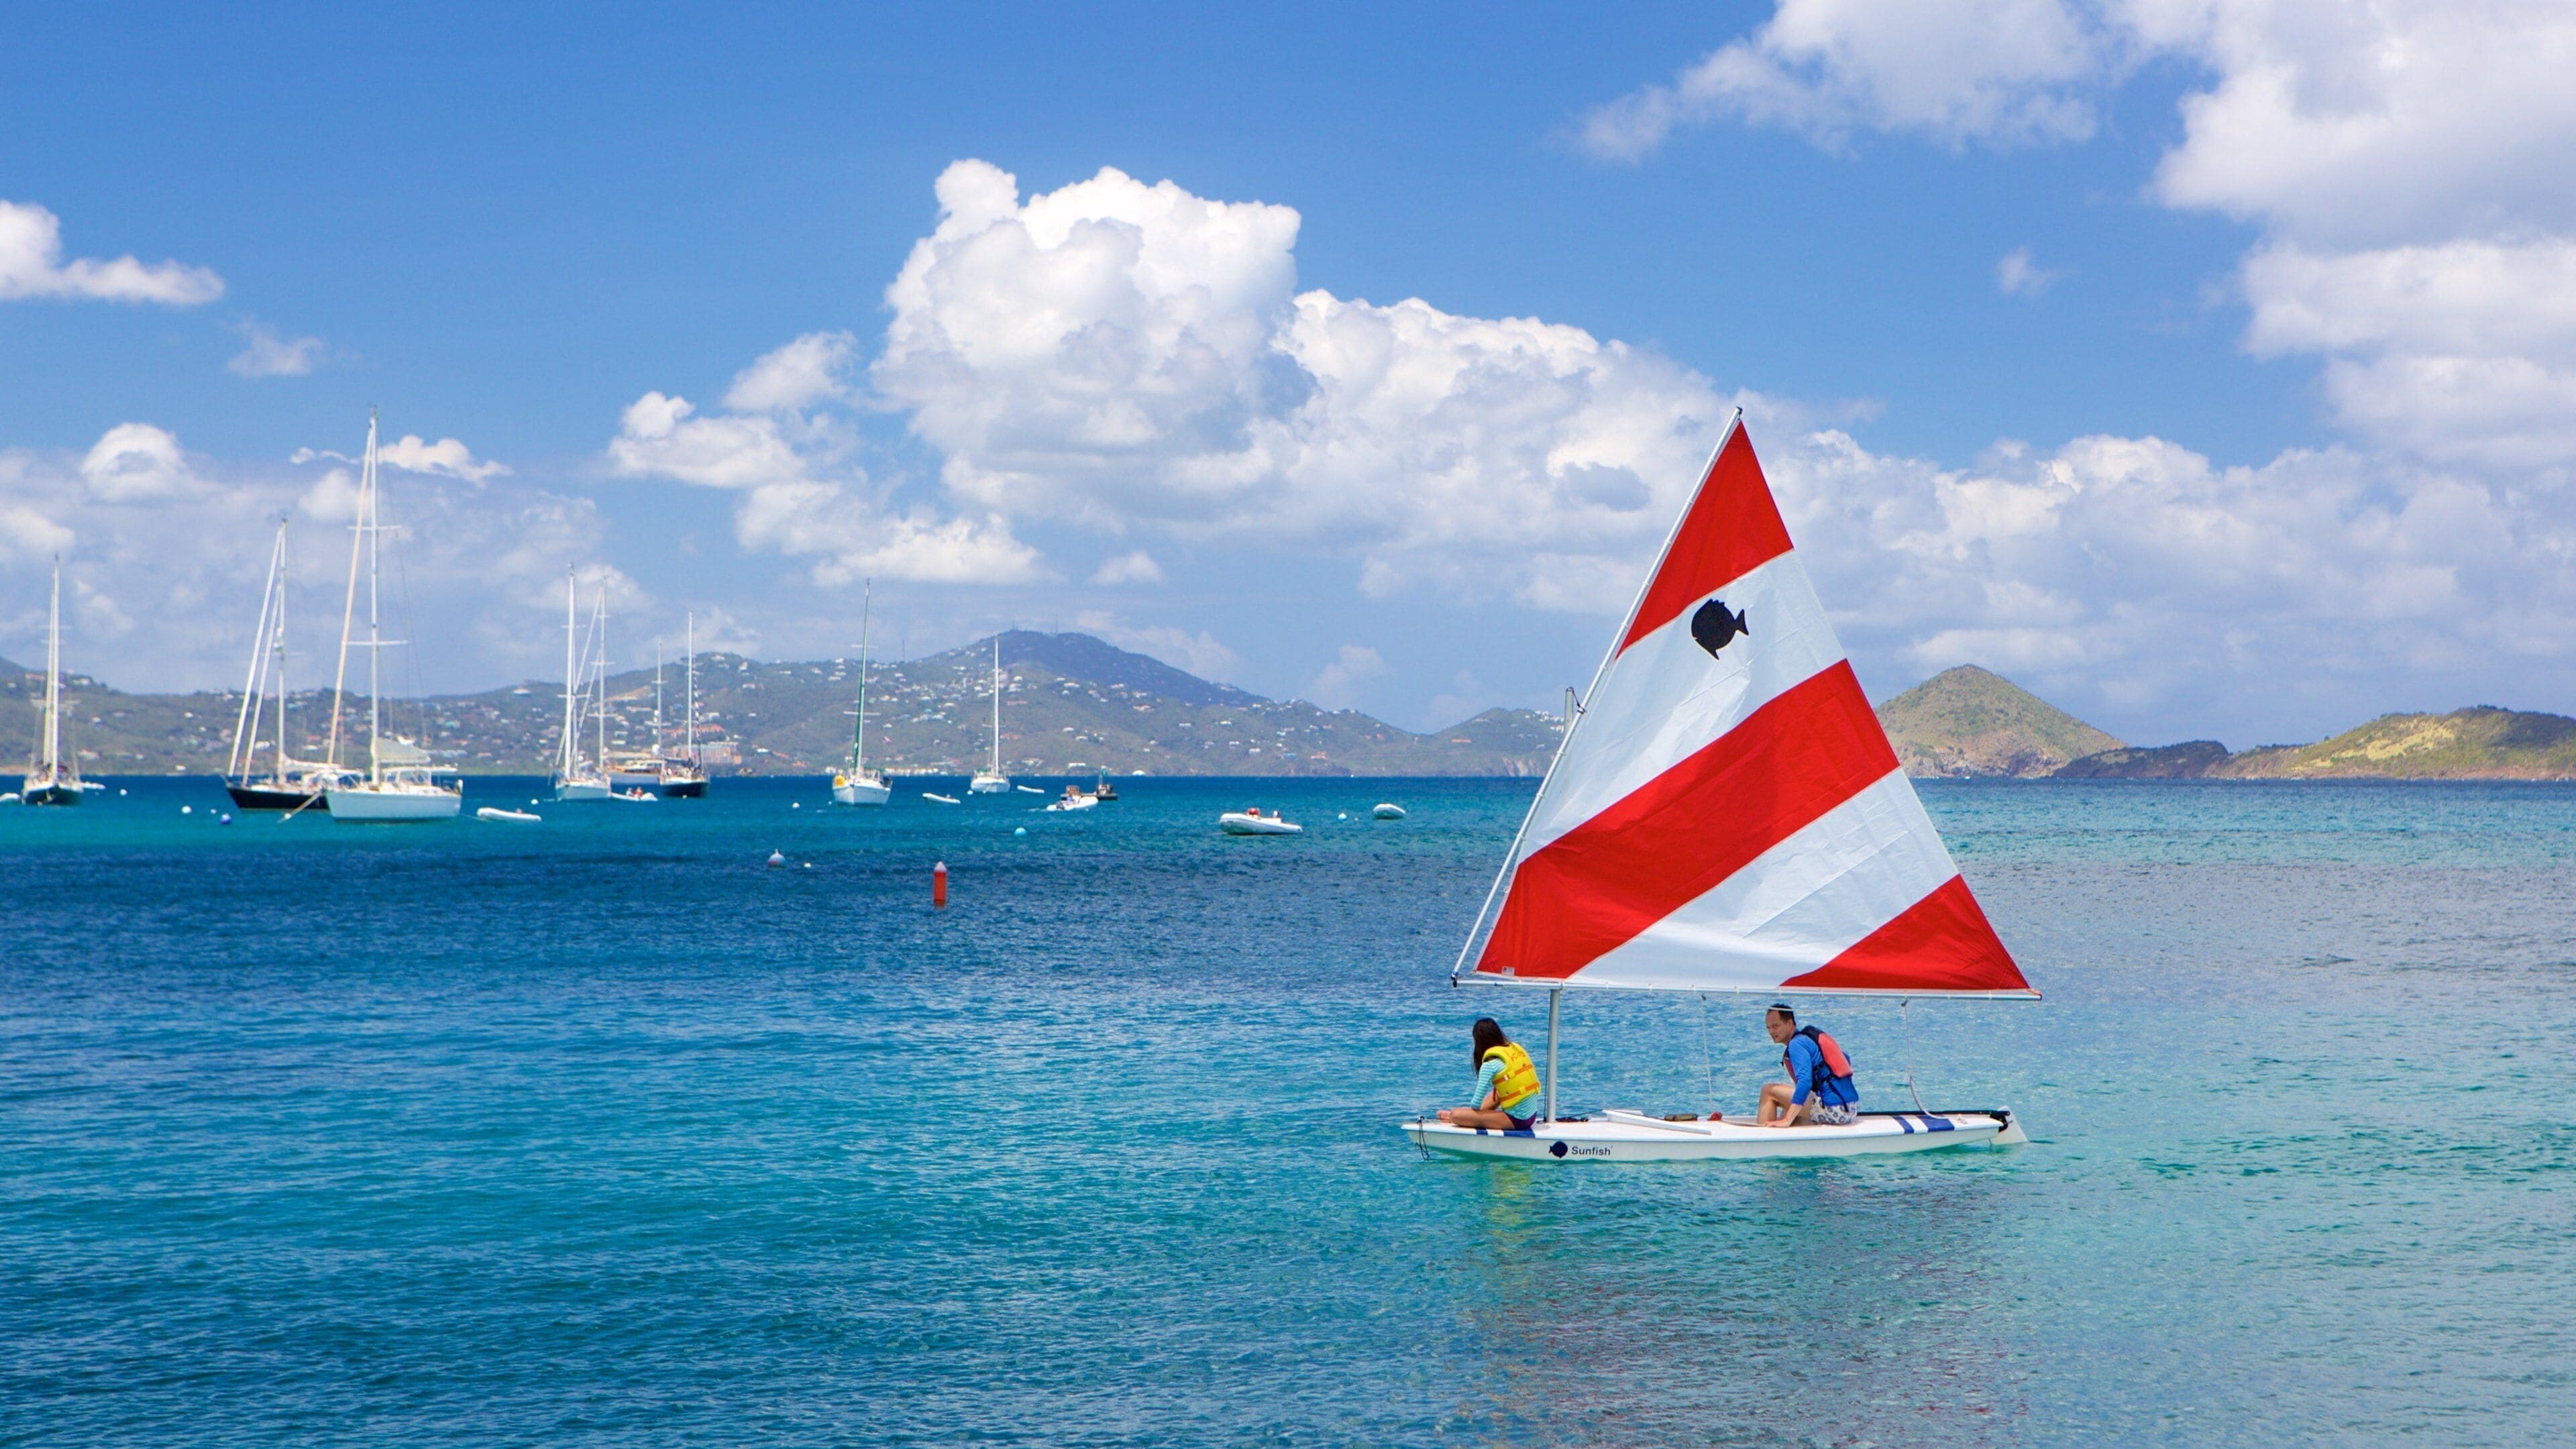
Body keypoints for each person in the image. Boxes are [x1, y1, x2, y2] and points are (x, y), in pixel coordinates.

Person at [1757, 1004, 1859, 1127]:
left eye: (1776, 1026)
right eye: (1768, 1028)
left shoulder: (1796, 1044)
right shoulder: (1809, 1039)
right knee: (1793, 1101)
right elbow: (1845, 1059)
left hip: (1834, 1109)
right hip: (1850, 1108)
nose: (1771, 1032)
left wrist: (1787, 1119)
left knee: (1768, 1091)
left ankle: (1762, 1138)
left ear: (1790, 1024)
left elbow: (1805, 1082)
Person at [1436, 1017, 1545, 1130]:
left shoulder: (1490, 1064)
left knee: (1455, 1114)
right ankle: (1472, 1117)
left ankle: (1457, 1117)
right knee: (1498, 1092)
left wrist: (1468, 1115)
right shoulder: (1514, 1049)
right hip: (1531, 1116)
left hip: (1517, 1121)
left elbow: (1476, 1104)